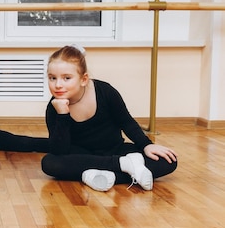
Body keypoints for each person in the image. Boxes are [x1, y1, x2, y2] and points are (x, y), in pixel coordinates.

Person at [41, 45, 178, 192]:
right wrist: (63, 115)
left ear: (83, 79)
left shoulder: (105, 92)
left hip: (114, 150)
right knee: (49, 163)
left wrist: (147, 145)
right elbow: (59, 150)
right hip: (82, 156)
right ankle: (125, 166)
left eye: (66, 78)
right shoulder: (53, 108)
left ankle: (102, 175)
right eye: (52, 78)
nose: (58, 85)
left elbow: (126, 122)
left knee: (168, 160)